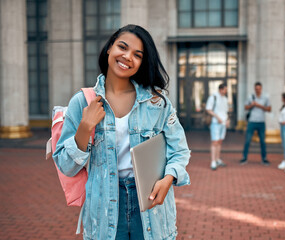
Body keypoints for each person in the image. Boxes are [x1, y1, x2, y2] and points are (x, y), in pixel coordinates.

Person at [53, 24, 190, 240]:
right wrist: (85, 128)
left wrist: (169, 177)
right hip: (104, 205)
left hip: (149, 204)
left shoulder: (157, 102)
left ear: (142, 62)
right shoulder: (82, 102)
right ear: (109, 48)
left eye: (137, 55)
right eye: (122, 47)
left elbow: (179, 150)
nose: (127, 57)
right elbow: (66, 167)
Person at [240, 82, 271, 165]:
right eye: (256, 89)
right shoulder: (250, 97)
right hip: (251, 122)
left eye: (259, 89)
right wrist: (251, 105)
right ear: (254, 89)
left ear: (261, 89)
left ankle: (264, 158)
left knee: (262, 142)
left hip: (261, 122)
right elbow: (246, 107)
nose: (257, 90)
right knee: (247, 140)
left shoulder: (265, 97)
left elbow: (269, 109)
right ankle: (244, 158)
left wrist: (259, 105)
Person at [206, 83, 229, 170]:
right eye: (225, 89)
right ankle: (213, 161)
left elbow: (226, 112)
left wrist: (227, 120)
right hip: (215, 123)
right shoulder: (213, 97)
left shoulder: (225, 99)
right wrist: (217, 117)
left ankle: (217, 159)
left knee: (219, 142)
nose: (226, 91)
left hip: (223, 124)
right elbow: (208, 109)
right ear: (221, 89)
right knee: (214, 142)